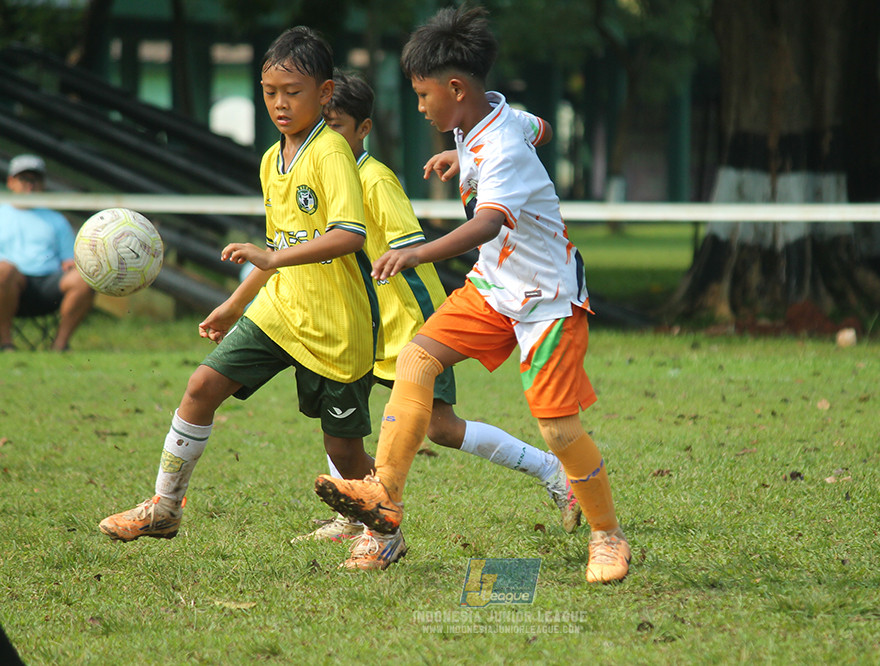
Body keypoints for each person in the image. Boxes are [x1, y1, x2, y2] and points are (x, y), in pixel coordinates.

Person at [313, 7, 630, 583]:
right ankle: (384, 496)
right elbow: (543, 129)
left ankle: (608, 534)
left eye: (421, 94)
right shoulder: (488, 117)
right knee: (417, 359)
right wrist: (465, 155)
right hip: (493, 286)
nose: (419, 106)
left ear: (454, 88)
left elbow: (487, 223)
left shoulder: (501, 145)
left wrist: (416, 250)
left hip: (548, 298)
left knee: (558, 429)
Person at [99, 26, 380, 544]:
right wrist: (233, 304)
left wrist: (273, 255)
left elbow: (350, 235)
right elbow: (280, 250)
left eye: (293, 93)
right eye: (270, 92)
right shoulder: (272, 160)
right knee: (201, 387)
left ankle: (384, 528)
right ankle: (164, 507)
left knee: (344, 452)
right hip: (278, 311)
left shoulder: (332, 152)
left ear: (324, 95)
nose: (279, 103)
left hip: (336, 325)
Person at [293, 71, 579, 568]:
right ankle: (364, 522)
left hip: (406, 312)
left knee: (442, 430)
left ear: (361, 129)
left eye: (334, 126)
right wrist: (464, 157)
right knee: (345, 411)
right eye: (319, 127)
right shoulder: (319, 174)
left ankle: (553, 471)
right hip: (360, 315)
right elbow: (540, 130)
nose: (324, 139)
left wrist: (416, 269)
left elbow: (412, 252)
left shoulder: (374, 181)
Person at [0, 154, 94, 352]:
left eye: (35, 180)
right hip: (10, 284)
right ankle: (5, 343)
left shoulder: (56, 220)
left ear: (42, 184)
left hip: (49, 284)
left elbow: (68, 259)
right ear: (10, 182)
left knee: (85, 278)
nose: (30, 185)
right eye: (24, 179)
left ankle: (60, 346)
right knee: (4, 270)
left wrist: (71, 265)